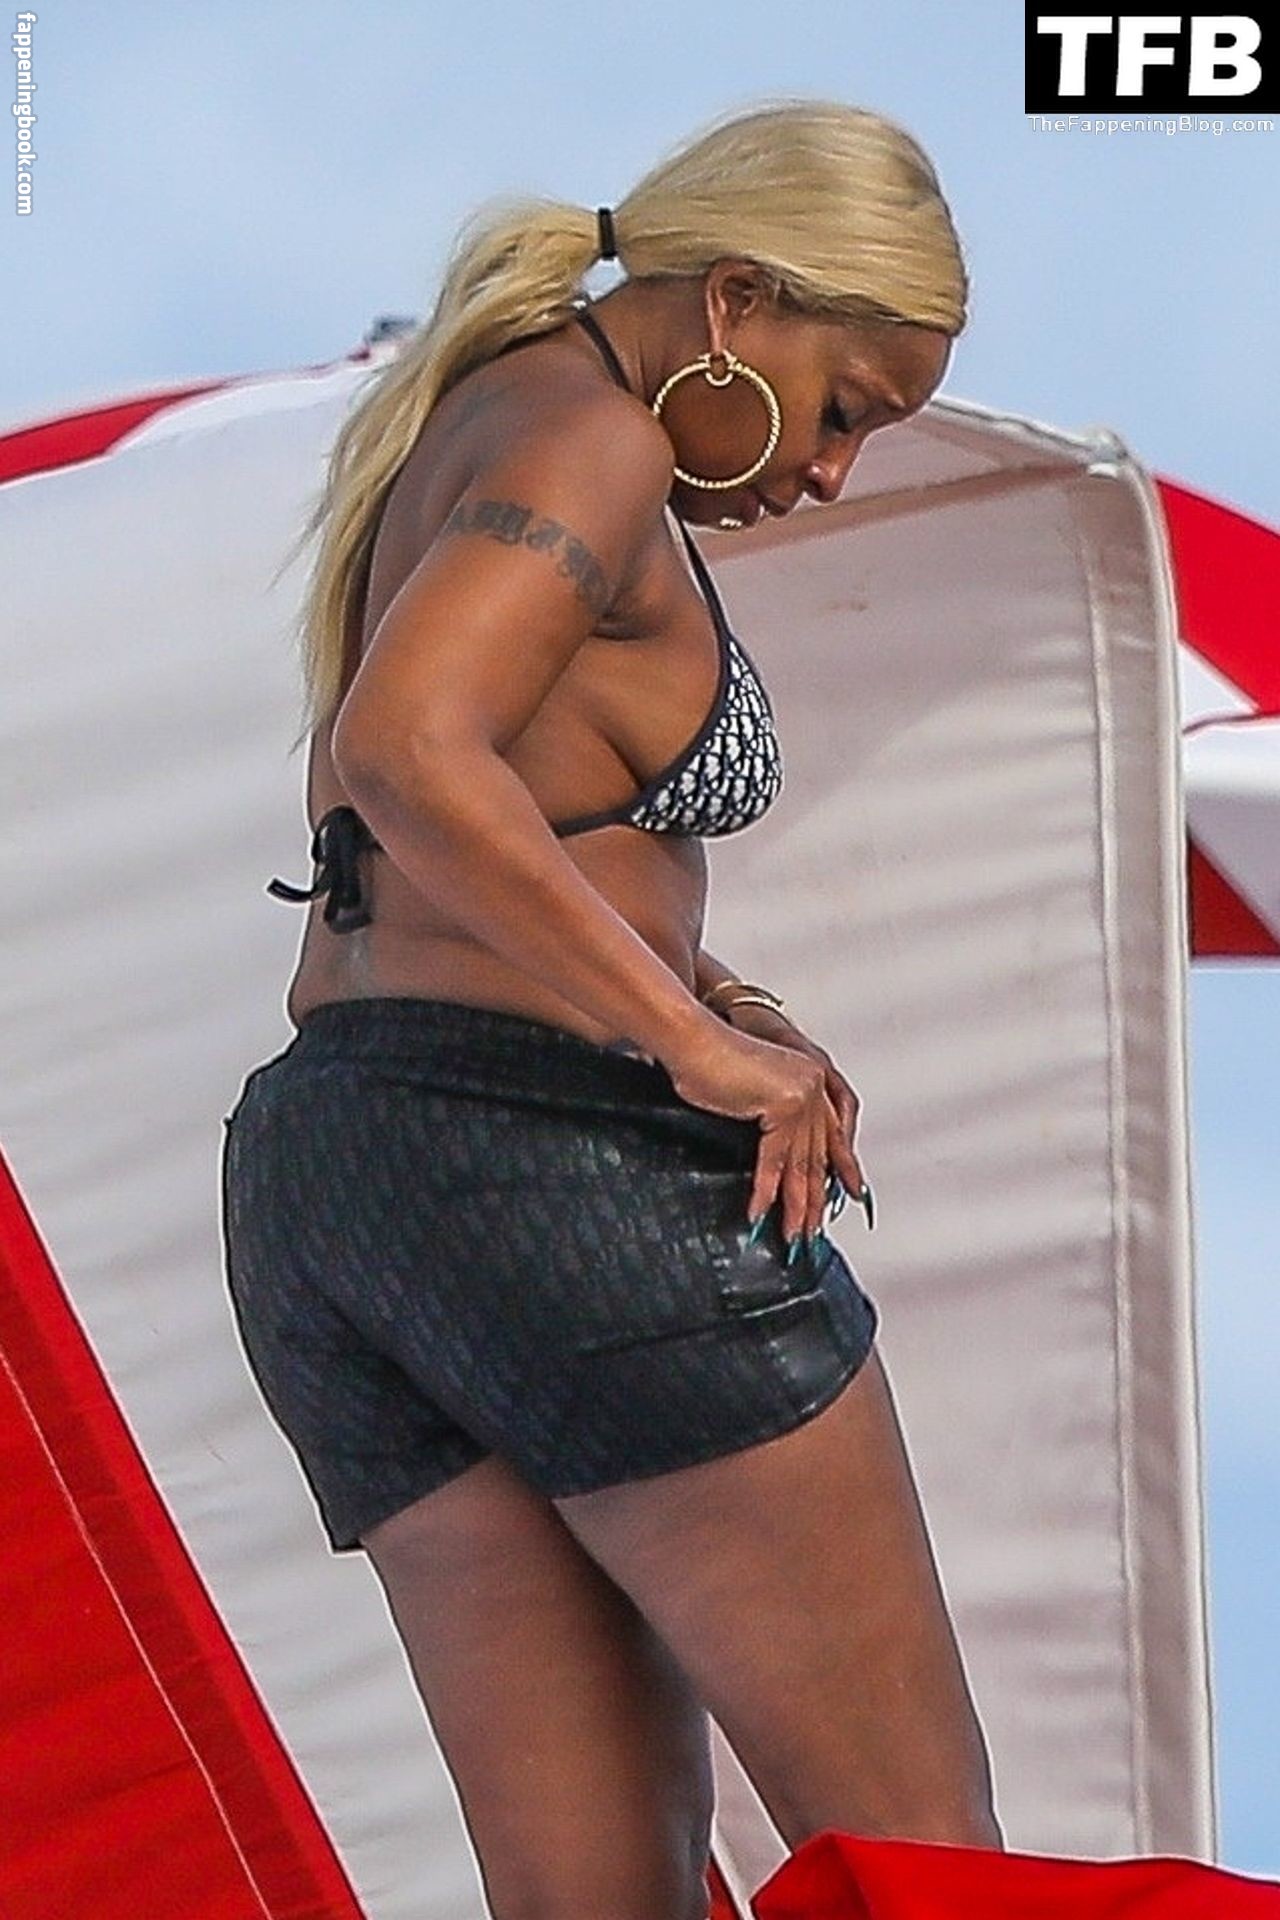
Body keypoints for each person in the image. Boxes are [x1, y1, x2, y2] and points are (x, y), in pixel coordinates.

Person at [220, 95, 1004, 1920]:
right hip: (549, 1172)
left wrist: (705, 986)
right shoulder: (591, 440)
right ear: (736, 302)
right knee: (941, 1876)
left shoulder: (486, 416)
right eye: (843, 410)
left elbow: (450, 813)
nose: (833, 476)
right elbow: (406, 747)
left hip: (335, 1177)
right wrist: (690, 1044)